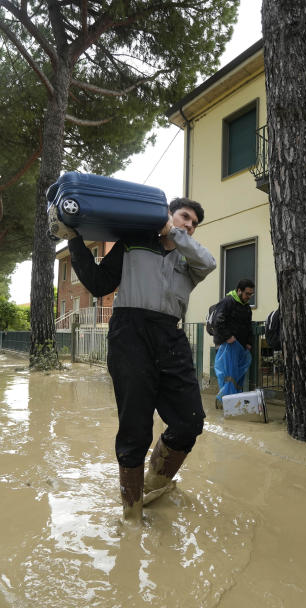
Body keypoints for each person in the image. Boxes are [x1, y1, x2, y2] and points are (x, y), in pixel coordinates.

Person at [62, 197, 216, 522]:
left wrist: (177, 235)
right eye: (184, 217)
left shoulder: (192, 262)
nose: (188, 225)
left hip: (170, 336)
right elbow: (100, 282)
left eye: (193, 224)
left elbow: (209, 262)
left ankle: (151, 485)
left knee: (190, 422)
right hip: (129, 333)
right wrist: (73, 240)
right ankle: (131, 515)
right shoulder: (133, 243)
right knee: (135, 427)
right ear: (168, 214)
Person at [212, 279, 255, 398]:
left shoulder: (246, 308)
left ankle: (234, 401)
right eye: (247, 293)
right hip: (226, 346)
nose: (249, 297)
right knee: (227, 376)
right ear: (239, 291)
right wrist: (228, 337)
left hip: (239, 347)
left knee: (236, 376)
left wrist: (248, 342)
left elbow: (248, 326)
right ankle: (226, 401)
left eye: (251, 294)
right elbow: (218, 321)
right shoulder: (227, 302)